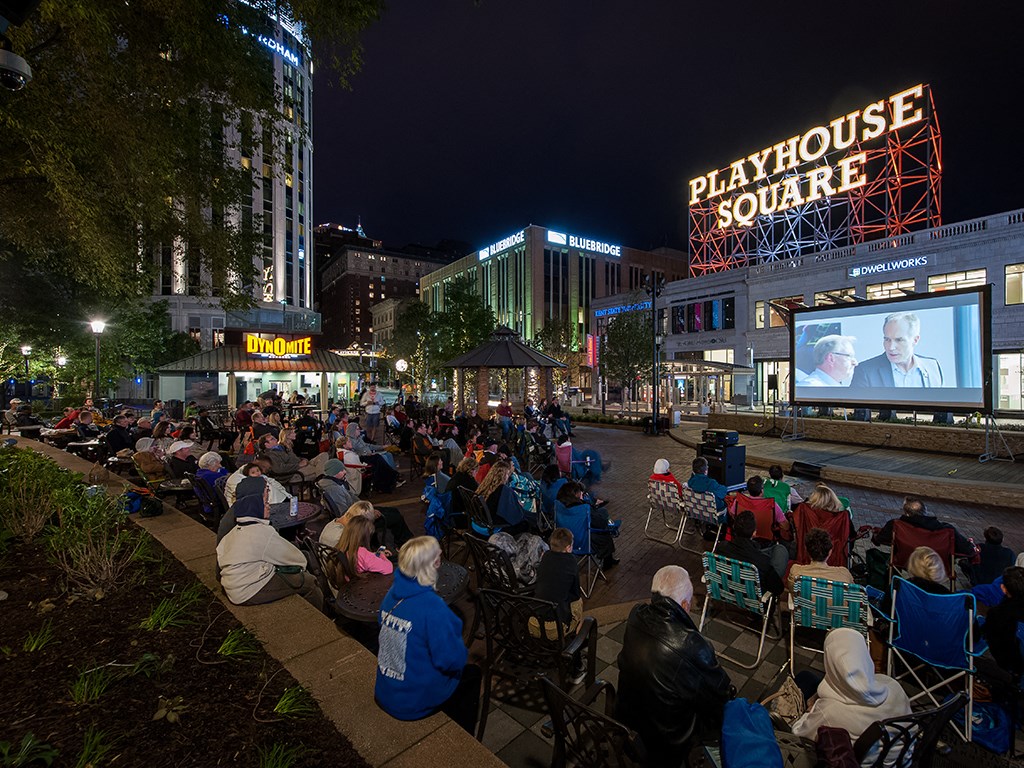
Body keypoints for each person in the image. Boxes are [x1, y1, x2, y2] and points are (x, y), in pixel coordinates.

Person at [615, 566, 734, 767]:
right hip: (669, 742)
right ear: (685, 604)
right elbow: (720, 694)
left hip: (627, 720)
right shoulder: (692, 646)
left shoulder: (636, 615)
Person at [375, 537, 481, 734]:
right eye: (438, 557)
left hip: (387, 691)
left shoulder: (392, 595)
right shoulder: (433, 608)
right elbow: (452, 659)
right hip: (413, 702)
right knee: (472, 675)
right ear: (433, 565)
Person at [790, 628, 911, 761]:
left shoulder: (830, 712)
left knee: (804, 679)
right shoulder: (893, 685)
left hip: (858, 763)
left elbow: (798, 734)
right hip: (902, 759)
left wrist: (809, 712)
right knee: (808, 678)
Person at [216, 478, 323, 610]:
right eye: (265, 503)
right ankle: (319, 614)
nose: (269, 506)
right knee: (309, 583)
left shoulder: (235, 529)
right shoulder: (261, 532)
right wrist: (300, 571)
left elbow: (221, 555)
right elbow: (294, 558)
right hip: (248, 589)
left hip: (234, 583)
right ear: (256, 507)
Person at [850, 311, 943, 388]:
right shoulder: (866, 371)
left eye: (899, 340)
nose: (891, 347)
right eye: (887, 339)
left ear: (915, 340)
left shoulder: (933, 366)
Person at [872, 496, 974, 557]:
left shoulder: (896, 525)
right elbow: (968, 550)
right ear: (924, 511)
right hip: (935, 565)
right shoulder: (946, 530)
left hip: (904, 561)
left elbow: (879, 539)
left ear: (906, 512)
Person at [718, 510, 785, 596]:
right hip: (754, 597)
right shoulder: (762, 561)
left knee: (777, 550)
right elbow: (779, 589)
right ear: (754, 533)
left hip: (728, 590)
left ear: (734, 527)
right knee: (780, 550)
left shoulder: (721, 548)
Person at [532, 527, 583, 637]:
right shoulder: (571, 561)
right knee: (578, 602)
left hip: (534, 621)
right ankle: (576, 631)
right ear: (568, 548)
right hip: (555, 628)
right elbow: (575, 594)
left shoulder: (546, 556)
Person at [555, 480, 616, 568]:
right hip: (582, 542)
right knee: (605, 534)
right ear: (576, 495)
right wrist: (589, 505)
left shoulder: (559, 506)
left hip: (565, 538)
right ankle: (608, 563)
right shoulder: (584, 509)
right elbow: (600, 523)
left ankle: (609, 560)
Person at [787, 528, 854, 593]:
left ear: (807, 551)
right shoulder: (844, 575)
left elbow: (792, 591)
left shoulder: (796, 573)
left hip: (805, 604)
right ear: (830, 552)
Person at [331, 515, 394, 581]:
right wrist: (382, 555)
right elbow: (388, 568)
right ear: (365, 537)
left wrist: (375, 554)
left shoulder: (340, 546)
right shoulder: (362, 553)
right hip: (360, 584)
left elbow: (366, 559)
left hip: (347, 583)